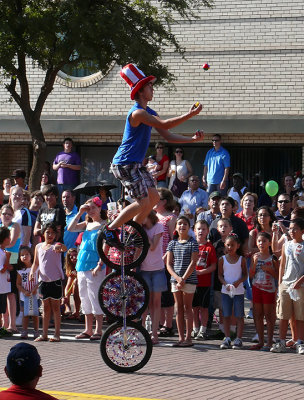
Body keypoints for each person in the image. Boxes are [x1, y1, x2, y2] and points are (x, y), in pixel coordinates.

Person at [100, 63, 204, 250]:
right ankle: (110, 229)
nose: (152, 88)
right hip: (125, 164)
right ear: (140, 91)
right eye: (149, 86)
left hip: (136, 165)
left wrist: (192, 140)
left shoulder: (149, 112)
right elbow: (165, 125)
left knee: (154, 198)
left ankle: (131, 232)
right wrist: (190, 114)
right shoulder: (138, 113)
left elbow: (168, 136)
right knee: (142, 201)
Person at [68, 197, 107, 340]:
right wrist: (79, 213)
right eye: (88, 208)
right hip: (82, 264)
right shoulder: (87, 223)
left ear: (99, 208)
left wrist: (100, 264)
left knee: (95, 296)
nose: (90, 211)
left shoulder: (104, 225)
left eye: (93, 208)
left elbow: (105, 246)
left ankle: (98, 330)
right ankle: (87, 329)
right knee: (84, 297)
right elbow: (70, 228)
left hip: (95, 264)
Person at [271, 218, 304, 354]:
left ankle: (300, 342)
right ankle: (281, 341)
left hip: (300, 286)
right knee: (283, 315)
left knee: (300, 315)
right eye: (290, 228)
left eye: (295, 228)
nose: (292, 231)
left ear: (302, 231)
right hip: (286, 284)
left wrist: (300, 281)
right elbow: (282, 265)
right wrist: (280, 284)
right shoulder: (286, 245)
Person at [30, 222, 66, 342]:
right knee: (45, 308)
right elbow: (36, 263)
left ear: (56, 235)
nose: (50, 235)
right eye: (47, 232)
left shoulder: (56, 245)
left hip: (55, 282)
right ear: (43, 233)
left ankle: (57, 334)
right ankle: (44, 334)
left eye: (52, 233)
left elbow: (63, 248)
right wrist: (32, 272)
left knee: (56, 308)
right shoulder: (38, 246)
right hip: (43, 282)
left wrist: (60, 247)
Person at [166, 216, 199, 347]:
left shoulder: (193, 243)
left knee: (187, 308)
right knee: (178, 308)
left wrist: (184, 279)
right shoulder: (172, 243)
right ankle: (180, 338)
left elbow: (193, 262)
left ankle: (188, 338)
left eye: (185, 224)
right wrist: (178, 278)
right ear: (176, 227)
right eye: (179, 224)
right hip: (176, 281)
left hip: (189, 280)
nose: (182, 226)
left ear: (189, 227)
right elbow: (168, 264)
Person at [140, 211, 167, 345]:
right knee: (145, 303)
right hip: (144, 269)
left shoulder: (158, 227)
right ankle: (143, 330)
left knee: (156, 303)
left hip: (157, 269)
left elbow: (152, 246)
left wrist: (143, 231)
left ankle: (154, 333)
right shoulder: (141, 229)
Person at [249, 232, 279, 351]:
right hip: (256, 287)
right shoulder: (255, 256)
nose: (261, 243)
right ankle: (261, 342)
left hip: (269, 289)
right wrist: (255, 263)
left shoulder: (273, 258)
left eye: (264, 241)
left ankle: (269, 342)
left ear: (269, 243)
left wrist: (269, 270)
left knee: (269, 316)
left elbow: (277, 275)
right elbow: (251, 275)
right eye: (259, 241)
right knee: (258, 315)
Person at [154, 188, 177, 337]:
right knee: (157, 293)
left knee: (167, 293)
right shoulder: (153, 216)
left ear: (164, 201)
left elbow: (173, 240)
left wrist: (167, 256)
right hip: (153, 259)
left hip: (166, 259)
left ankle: (168, 324)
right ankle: (159, 323)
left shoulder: (171, 218)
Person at [218, 233, 247, 349]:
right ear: (225, 245)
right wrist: (226, 284)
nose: (230, 248)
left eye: (232, 245)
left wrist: (238, 282)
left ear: (238, 246)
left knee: (239, 315)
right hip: (226, 292)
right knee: (226, 315)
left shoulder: (241, 260)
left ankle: (238, 338)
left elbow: (245, 275)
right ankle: (227, 337)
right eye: (228, 245)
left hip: (238, 292)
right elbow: (219, 275)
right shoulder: (222, 259)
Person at [192, 220, 217, 340]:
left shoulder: (209, 247)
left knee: (204, 308)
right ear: (194, 230)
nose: (201, 231)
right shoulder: (191, 245)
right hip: (191, 282)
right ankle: (195, 328)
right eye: (199, 229)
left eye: (203, 229)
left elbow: (213, 266)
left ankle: (203, 329)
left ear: (207, 231)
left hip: (205, 282)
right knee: (194, 307)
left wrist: (202, 272)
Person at [0, 204, 21, 334]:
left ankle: (12, 324)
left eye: (9, 214)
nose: (7, 216)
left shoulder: (15, 226)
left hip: (12, 260)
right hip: (1, 259)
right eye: (4, 213)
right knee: (2, 293)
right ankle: (4, 323)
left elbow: (12, 242)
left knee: (11, 293)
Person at [16, 246, 39, 340]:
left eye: (27, 254)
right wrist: (24, 291)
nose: (24, 256)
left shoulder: (37, 269)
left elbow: (39, 281)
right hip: (24, 296)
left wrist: (35, 289)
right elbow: (18, 284)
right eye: (22, 255)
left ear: (31, 255)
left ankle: (36, 331)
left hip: (35, 296)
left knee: (35, 315)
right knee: (25, 314)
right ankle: (24, 331)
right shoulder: (20, 271)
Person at [62, 248, 80, 320]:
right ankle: (67, 307)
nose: (74, 258)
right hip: (75, 284)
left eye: (75, 255)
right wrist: (66, 296)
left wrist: (77, 276)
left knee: (76, 282)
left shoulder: (80, 263)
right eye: (71, 257)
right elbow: (68, 286)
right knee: (70, 281)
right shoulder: (70, 266)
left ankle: (77, 311)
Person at [0, 227, 11, 337]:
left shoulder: (3, 251)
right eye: (8, 237)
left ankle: (3, 327)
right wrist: (8, 258)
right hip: (1, 286)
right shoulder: (1, 253)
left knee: (3, 308)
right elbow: (2, 269)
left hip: (3, 286)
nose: (10, 239)